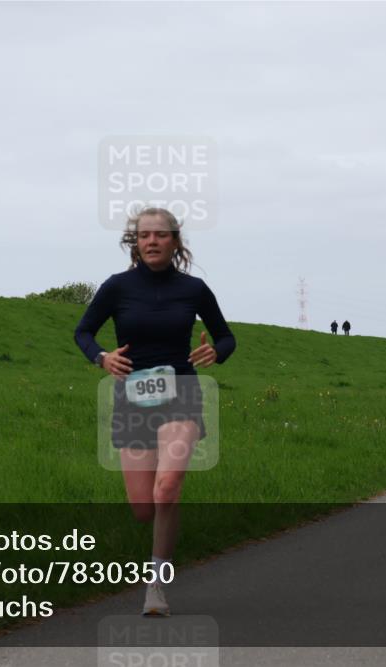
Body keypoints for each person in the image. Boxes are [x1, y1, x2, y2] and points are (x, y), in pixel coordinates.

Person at [74, 207, 236, 614]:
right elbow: (83, 331)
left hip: (181, 391)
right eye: (144, 235)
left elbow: (227, 337)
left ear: (175, 241)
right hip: (133, 398)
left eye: (160, 235)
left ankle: (156, 586)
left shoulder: (194, 289)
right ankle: (164, 521)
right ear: (135, 243)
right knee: (144, 506)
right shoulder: (117, 287)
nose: (151, 241)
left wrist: (216, 352)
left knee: (167, 488)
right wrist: (102, 358)